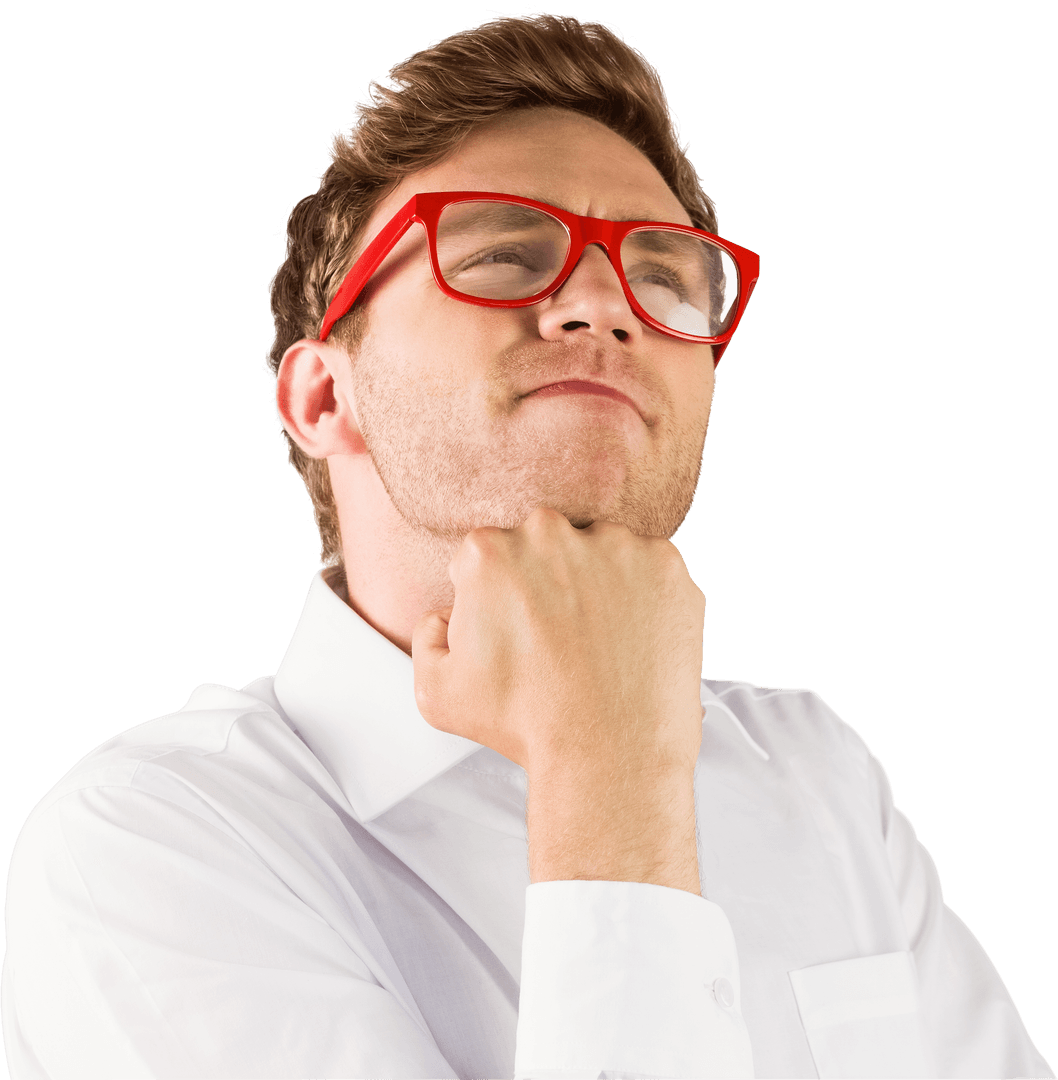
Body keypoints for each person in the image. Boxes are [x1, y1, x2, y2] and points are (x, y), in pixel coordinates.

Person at [1, 13, 1051, 1080]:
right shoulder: (148, 843)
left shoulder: (813, 772)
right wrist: (609, 774)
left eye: (665, 276)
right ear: (323, 395)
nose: (603, 302)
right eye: (502, 254)